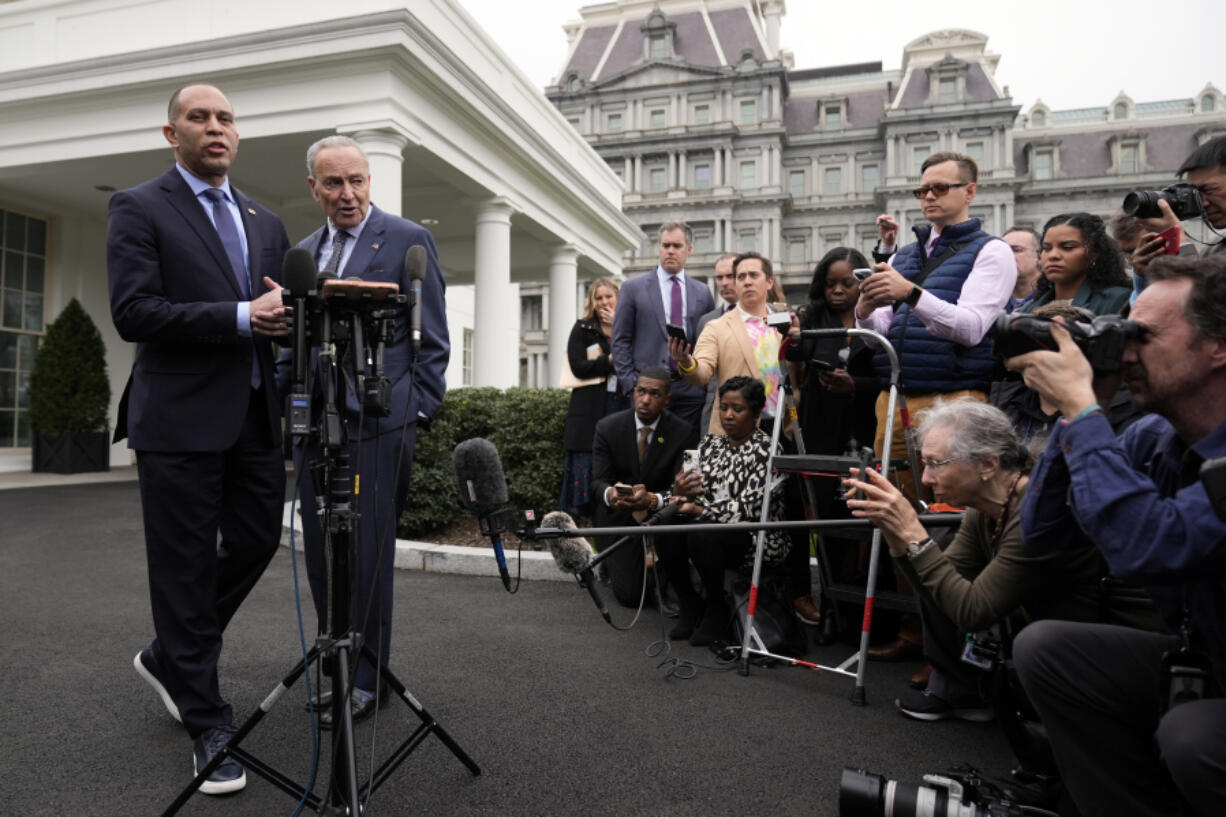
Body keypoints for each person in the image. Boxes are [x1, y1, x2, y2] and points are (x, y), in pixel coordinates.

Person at [109, 82, 290, 795]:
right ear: (171, 133)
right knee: (183, 568)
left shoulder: (265, 219)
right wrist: (244, 316)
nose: (216, 128)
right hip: (178, 418)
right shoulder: (138, 206)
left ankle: (171, 654)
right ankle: (207, 718)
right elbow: (134, 311)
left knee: (257, 540)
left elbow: (277, 312)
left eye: (226, 119)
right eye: (199, 118)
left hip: (255, 414)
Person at [1005, 254, 1226, 817]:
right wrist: (1080, 411)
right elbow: (1044, 529)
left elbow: (1147, 546)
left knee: (1194, 734)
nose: (1125, 350)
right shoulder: (1156, 434)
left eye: (1143, 335)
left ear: (1218, 346)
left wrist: (1083, 412)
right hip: (1208, 657)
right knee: (1049, 650)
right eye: (1120, 329)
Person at [844, 399, 1162, 723]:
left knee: (934, 551)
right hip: (1063, 631)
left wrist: (912, 531)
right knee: (935, 558)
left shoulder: (1037, 514)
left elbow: (972, 611)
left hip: (1124, 645)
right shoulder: (986, 508)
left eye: (937, 463)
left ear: (988, 464)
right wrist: (898, 535)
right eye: (924, 463)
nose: (926, 478)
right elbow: (942, 590)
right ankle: (967, 689)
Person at [292, 135, 449, 727]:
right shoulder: (304, 252)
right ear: (315, 188)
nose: (348, 194)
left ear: (369, 180)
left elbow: (431, 341)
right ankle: (335, 671)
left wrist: (418, 412)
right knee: (322, 560)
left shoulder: (408, 240)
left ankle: (368, 679)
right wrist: (292, 412)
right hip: (318, 431)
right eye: (334, 183)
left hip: (382, 429)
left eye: (356, 180)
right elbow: (294, 343)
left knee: (365, 558)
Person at [856, 152, 1016, 503]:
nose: (929, 196)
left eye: (940, 188)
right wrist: (865, 310)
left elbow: (972, 327)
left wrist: (911, 293)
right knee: (895, 502)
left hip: (954, 397)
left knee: (955, 501)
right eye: (923, 190)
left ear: (970, 191)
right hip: (895, 397)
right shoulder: (903, 256)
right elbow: (880, 333)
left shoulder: (992, 251)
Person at [785, 248, 881, 629]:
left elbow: (889, 375)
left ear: (863, 282)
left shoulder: (879, 319)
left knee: (849, 521)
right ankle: (812, 603)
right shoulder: (813, 318)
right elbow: (794, 351)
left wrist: (854, 384)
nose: (837, 291)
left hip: (860, 428)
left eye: (847, 283)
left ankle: (842, 611)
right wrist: (789, 335)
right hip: (818, 427)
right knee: (813, 514)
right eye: (829, 284)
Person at [666, 377, 792, 645]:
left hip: (755, 535)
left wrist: (698, 508)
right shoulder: (710, 444)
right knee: (665, 526)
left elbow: (747, 508)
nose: (728, 415)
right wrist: (677, 490)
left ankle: (716, 606)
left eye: (738, 409)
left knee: (703, 532)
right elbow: (688, 492)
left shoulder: (769, 451)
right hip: (708, 525)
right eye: (723, 408)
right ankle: (689, 602)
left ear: (757, 413)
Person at [590, 367, 699, 608]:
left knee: (680, 590)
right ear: (634, 392)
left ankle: (661, 569)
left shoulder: (684, 433)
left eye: (655, 394)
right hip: (620, 517)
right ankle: (617, 564)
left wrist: (653, 500)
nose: (646, 400)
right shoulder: (607, 428)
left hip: (661, 516)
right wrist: (612, 494)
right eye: (641, 392)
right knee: (631, 596)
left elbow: (687, 488)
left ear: (667, 398)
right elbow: (597, 483)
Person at [669, 252, 789, 436]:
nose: (747, 281)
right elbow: (702, 373)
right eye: (741, 277)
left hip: (782, 429)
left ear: (770, 282)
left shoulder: (785, 322)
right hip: (736, 435)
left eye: (754, 275)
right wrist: (686, 362)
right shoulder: (715, 327)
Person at [611, 222, 715, 429]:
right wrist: (632, 385)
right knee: (648, 455)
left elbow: (708, 342)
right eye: (665, 245)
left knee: (686, 455)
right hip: (648, 391)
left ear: (689, 250)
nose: (670, 251)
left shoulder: (702, 292)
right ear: (658, 247)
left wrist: (702, 387)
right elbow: (620, 340)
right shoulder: (633, 288)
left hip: (690, 393)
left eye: (677, 246)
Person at [559, 277, 627, 517]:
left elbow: (636, 357)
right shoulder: (583, 328)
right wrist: (607, 362)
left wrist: (618, 326)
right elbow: (577, 366)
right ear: (591, 301)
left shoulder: (628, 325)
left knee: (617, 456)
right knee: (586, 461)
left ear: (618, 298)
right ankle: (582, 517)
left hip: (621, 401)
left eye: (608, 296)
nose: (604, 302)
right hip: (590, 408)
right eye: (598, 298)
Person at [1016, 212, 1131, 316]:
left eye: (1067, 247)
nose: (1053, 255)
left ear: (1093, 253)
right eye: (1047, 248)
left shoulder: (1119, 300)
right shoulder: (1027, 310)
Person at [695, 253, 739, 435]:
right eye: (719, 277)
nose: (724, 282)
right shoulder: (707, 320)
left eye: (730, 276)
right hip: (715, 411)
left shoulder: (765, 315)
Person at [1001, 226, 1041, 311]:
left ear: (1038, 256)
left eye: (1016, 250)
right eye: (1004, 250)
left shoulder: (1056, 297)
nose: (1008, 255)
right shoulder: (990, 300)